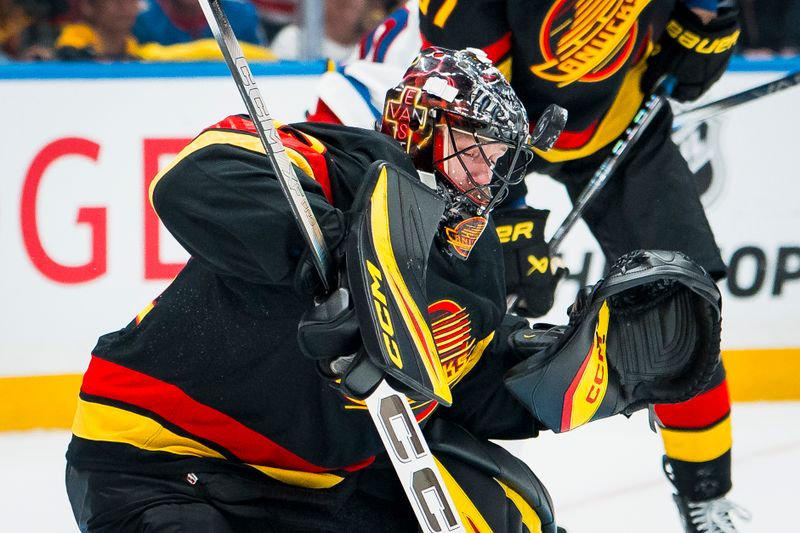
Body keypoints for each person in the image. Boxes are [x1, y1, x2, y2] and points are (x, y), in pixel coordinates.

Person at [64, 46, 724, 533]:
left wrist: (568, 366)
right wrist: (328, 250)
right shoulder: (346, 165)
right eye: (478, 150)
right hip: (155, 457)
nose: (490, 178)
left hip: (311, 490)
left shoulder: (475, 259)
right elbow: (193, 177)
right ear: (422, 128)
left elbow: (467, 387)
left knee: (508, 509)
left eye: (502, 162)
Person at [305, 1, 750, 532]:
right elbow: (466, 112)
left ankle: (707, 495)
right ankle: (396, 459)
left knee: (677, 311)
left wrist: (704, 23)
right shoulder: (437, 33)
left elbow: (685, 70)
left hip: (612, 121)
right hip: (472, 130)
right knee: (460, 308)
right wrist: (508, 219)